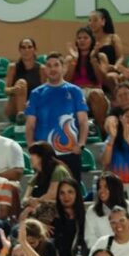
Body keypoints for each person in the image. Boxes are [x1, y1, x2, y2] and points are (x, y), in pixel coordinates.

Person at [25, 53, 89, 182]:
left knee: (71, 190)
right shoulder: (36, 93)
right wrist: (31, 147)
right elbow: (30, 125)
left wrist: (81, 144)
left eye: (56, 65)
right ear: (45, 69)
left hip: (70, 152)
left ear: (63, 67)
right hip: (44, 155)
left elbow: (83, 122)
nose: (52, 69)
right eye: (49, 66)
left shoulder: (75, 91)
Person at [63, 26, 108, 129]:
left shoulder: (101, 57)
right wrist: (75, 60)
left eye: (85, 38)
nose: (82, 40)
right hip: (76, 92)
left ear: (92, 40)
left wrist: (93, 59)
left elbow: (103, 79)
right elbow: (65, 81)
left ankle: (102, 131)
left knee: (96, 94)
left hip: (94, 91)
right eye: (79, 38)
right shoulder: (70, 59)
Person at [84, 172, 129, 247]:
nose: (101, 191)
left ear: (115, 189)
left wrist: (124, 248)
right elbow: (90, 239)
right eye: (99, 187)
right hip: (103, 252)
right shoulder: (92, 211)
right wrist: (106, 250)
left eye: (106, 187)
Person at [4, 36, 46, 120]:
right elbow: (6, 90)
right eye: (23, 47)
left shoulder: (41, 69)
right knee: (21, 83)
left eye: (29, 47)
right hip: (14, 106)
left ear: (35, 50)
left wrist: (31, 103)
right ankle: (21, 116)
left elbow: (43, 91)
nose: (26, 50)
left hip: (32, 104)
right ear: (19, 50)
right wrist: (14, 89)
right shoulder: (12, 67)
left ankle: (24, 116)